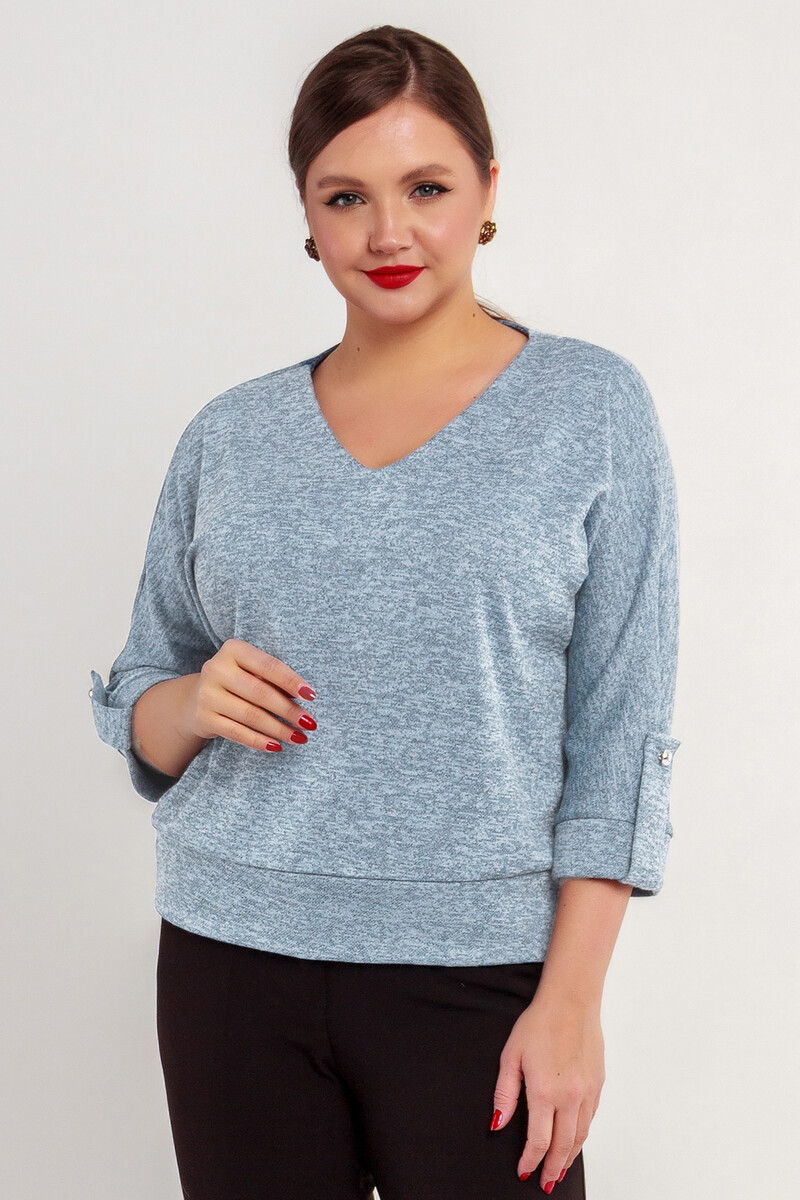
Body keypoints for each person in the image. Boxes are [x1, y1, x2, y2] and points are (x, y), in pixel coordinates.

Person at [88, 24, 682, 1200]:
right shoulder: (230, 435)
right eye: (345, 197)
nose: (387, 233)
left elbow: (619, 733)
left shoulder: (588, 410)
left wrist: (570, 1002)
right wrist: (189, 703)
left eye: (426, 188)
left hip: (476, 973)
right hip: (228, 960)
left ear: (487, 191)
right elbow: (141, 709)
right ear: (306, 217)